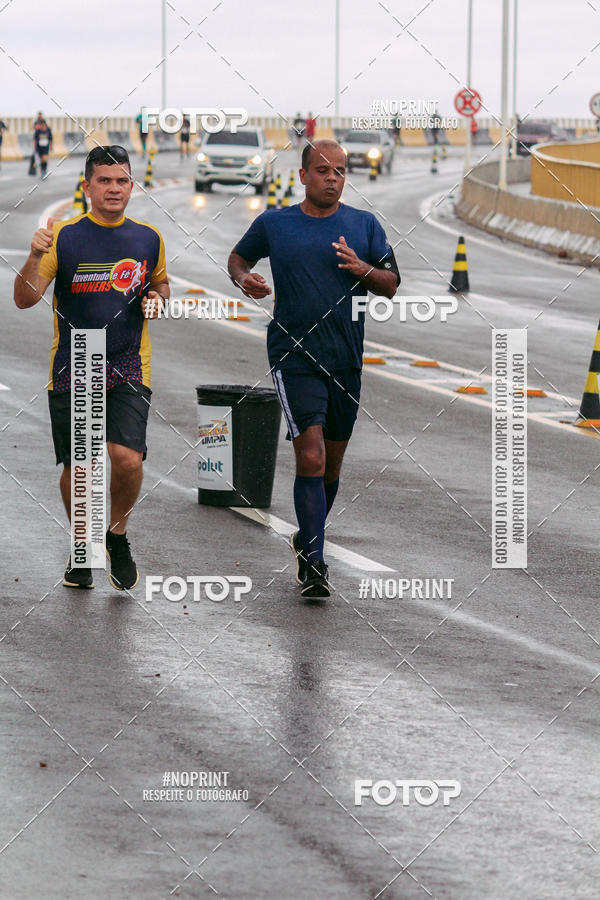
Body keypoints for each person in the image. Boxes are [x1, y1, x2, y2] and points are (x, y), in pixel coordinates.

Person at [227, 139, 400, 598]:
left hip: (345, 359)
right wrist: (245, 279)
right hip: (293, 354)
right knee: (312, 454)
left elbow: (391, 285)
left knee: (331, 467)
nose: (332, 178)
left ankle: (308, 536)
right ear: (303, 176)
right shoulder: (275, 223)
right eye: (323, 170)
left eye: (340, 171)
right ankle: (314, 564)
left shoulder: (363, 226)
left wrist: (361, 267)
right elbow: (238, 258)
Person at [13, 145, 170, 591]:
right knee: (80, 467)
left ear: (132, 187)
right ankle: (82, 547)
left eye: (122, 181)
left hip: (128, 362)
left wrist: (158, 298)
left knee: (127, 459)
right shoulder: (62, 237)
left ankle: (115, 535)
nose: (114, 188)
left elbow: (160, 282)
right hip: (75, 361)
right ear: (87, 187)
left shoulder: (148, 238)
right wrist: (30, 256)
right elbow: (25, 299)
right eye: (105, 180)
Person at [33, 113, 52, 179]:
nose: (42, 126)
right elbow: (35, 140)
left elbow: (50, 139)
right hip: (39, 147)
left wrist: (51, 146)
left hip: (46, 147)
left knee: (45, 159)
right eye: (41, 125)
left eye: (43, 124)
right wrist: (35, 147)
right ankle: (42, 171)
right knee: (41, 160)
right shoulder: (38, 131)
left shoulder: (48, 130)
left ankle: (44, 170)